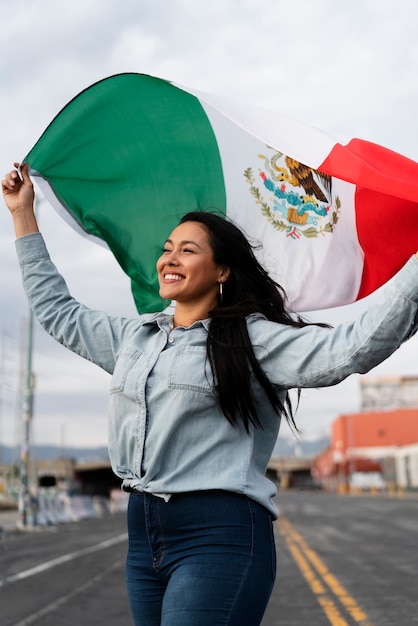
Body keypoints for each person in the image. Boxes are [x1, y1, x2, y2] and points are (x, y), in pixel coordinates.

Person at [3, 163, 418, 626]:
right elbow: (58, 311)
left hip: (220, 536)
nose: (169, 259)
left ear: (221, 269)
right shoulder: (133, 338)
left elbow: (348, 349)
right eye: (167, 249)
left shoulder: (253, 340)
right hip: (143, 539)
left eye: (187, 250)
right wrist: (23, 215)